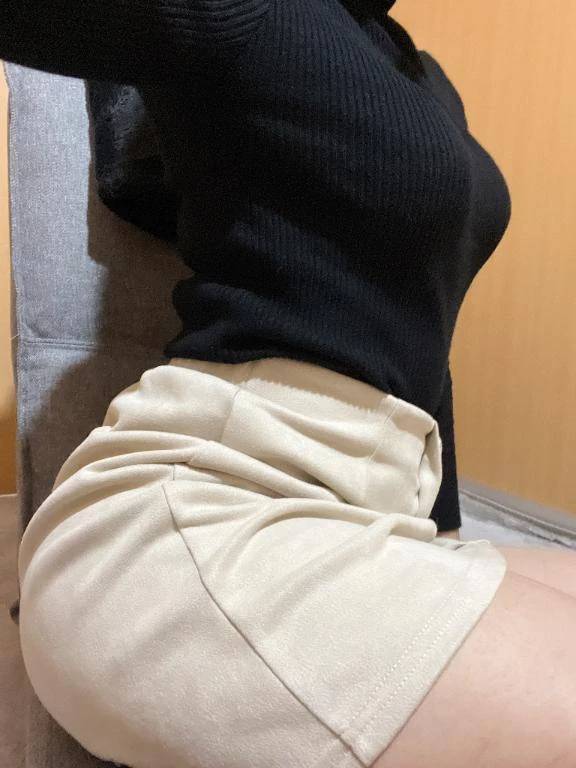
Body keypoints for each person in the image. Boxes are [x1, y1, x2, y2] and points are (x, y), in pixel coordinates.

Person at [2, 1, 576, 766]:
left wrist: (440, 547)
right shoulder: (257, 12)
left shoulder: (422, 76)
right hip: (203, 521)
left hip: (363, 517)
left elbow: (420, 334)